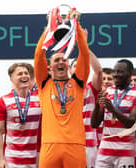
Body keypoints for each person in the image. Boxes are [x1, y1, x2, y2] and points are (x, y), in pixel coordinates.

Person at [34, 9, 90, 168]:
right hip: (49, 145)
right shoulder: (44, 83)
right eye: (56, 60)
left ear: (68, 65)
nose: (60, 62)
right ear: (49, 66)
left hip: (75, 145)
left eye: (64, 59)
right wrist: (49, 29)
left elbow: (84, 55)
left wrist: (76, 26)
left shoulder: (78, 82)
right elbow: (39, 55)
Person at [91, 59, 136, 168]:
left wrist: (112, 109)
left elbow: (131, 123)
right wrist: (97, 105)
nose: (116, 75)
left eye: (120, 72)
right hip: (105, 150)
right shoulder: (107, 91)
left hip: (127, 151)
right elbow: (94, 124)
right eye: (115, 71)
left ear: (130, 74)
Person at [0, 63, 41, 168]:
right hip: (12, 160)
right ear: (11, 78)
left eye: (26, 73)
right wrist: (1, 160)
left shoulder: (40, 99)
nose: (24, 76)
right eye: (20, 74)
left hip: (35, 159)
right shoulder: (3, 101)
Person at [70, 47, 103, 168]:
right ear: (69, 70)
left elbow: (99, 71)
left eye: (81, 65)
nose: (78, 68)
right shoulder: (62, 90)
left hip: (88, 145)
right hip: (69, 143)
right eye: (75, 66)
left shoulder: (91, 88)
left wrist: (85, 47)